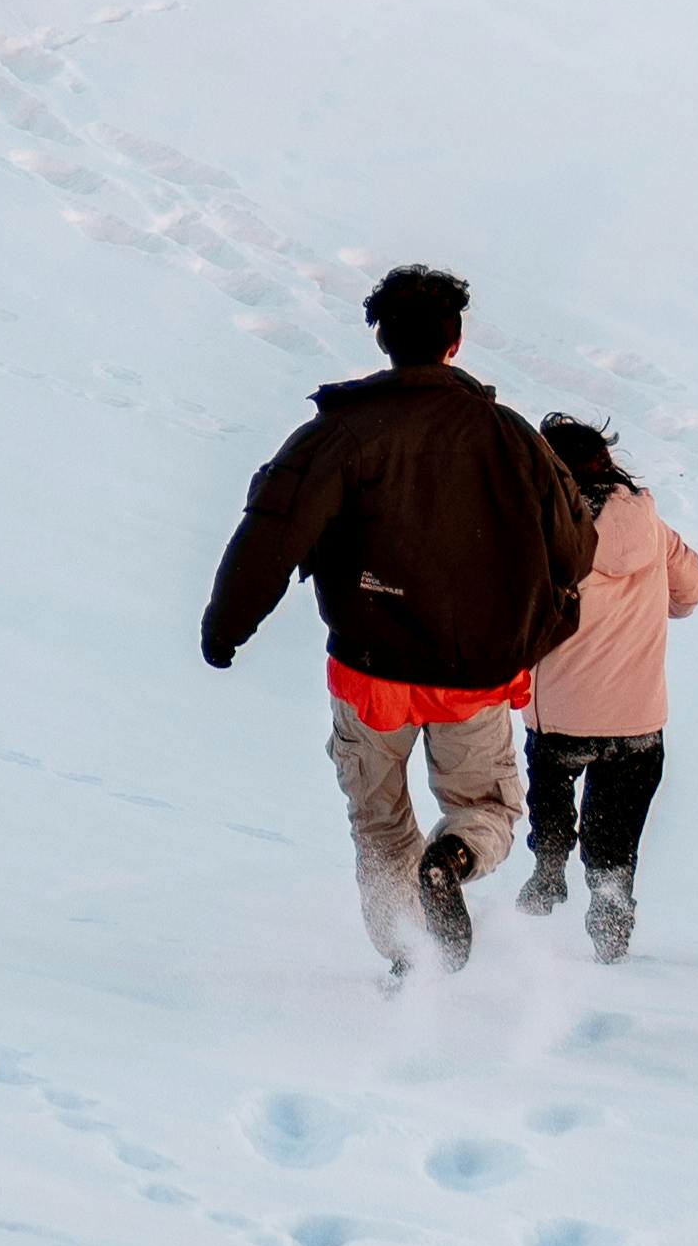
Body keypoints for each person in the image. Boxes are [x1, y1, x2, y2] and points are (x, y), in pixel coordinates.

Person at [203, 266, 597, 976]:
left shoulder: (339, 433)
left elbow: (273, 531)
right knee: (486, 806)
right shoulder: (510, 436)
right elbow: (575, 543)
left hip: (370, 671)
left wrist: (226, 625)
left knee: (379, 821)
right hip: (472, 672)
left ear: (382, 340)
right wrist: (543, 618)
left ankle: (409, 960)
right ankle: (456, 854)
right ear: (454, 342)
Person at [520, 417, 698, 964]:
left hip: (560, 717)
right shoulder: (652, 526)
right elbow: (689, 593)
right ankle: (610, 927)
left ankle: (549, 867)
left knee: (551, 796)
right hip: (638, 722)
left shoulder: (541, 533)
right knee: (614, 841)